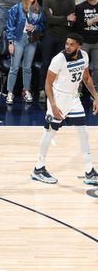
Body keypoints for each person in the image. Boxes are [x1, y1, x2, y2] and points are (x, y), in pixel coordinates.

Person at [31, 33, 98, 185]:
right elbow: (47, 84)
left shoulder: (84, 56)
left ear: (79, 46)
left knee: (83, 132)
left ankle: (89, 171)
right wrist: (53, 106)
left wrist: (95, 96)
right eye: (67, 43)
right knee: (50, 132)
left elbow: (86, 78)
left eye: (71, 44)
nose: (67, 46)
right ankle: (38, 168)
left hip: (73, 98)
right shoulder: (58, 59)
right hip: (58, 98)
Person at [40, 0, 77, 102]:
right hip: (49, 36)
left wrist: (58, 18)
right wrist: (65, 18)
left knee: (61, 66)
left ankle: (58, 90)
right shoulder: (47, 0)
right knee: (46, 63)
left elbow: (72, 23)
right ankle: (42, 90)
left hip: (64, 37)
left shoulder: (71, 2)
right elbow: (49, 20)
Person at [5, 0, 44, 104]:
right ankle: (10, 92)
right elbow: (9, 26)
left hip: (31, 40)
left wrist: (35, 27)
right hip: (18, 40)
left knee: (27, 68)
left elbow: (42, 26)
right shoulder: (16, 8)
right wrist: (10, 42)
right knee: (14, 67)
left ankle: (26, 90)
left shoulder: (38, 9)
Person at [76, 0, 98, 83]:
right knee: (80, 66)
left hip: (97, 43)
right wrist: (92, 20)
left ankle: (94, 90)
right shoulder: (80, 7)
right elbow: (78, 26)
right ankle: (78, 90)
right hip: (84, 42)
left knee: (96, 68)